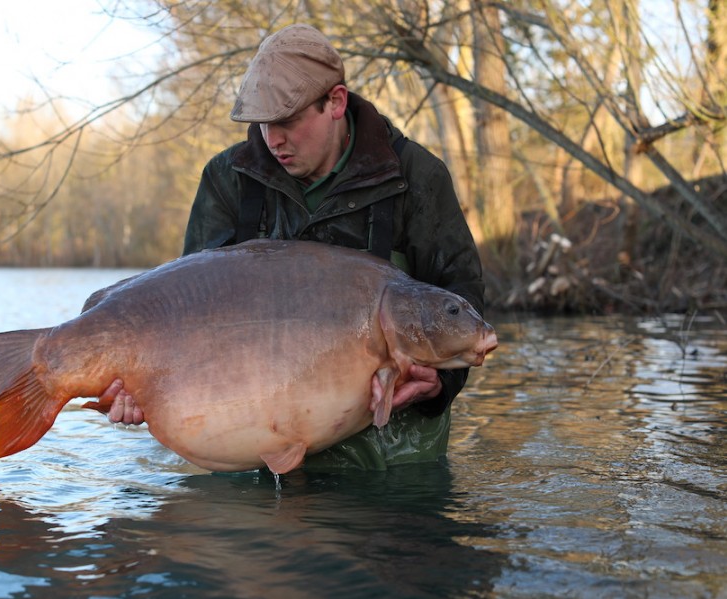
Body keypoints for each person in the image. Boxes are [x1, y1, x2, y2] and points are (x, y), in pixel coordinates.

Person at [100, 24, 484, 469]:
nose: (272, 139)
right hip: (248, 444)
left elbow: (462, 301)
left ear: (335, 102)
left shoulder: (416, 176)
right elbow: (184, 314)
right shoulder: (228, 179)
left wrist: (438, 384)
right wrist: (141, 388)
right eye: (263, 123)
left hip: (386, 460)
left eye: (286, 121)